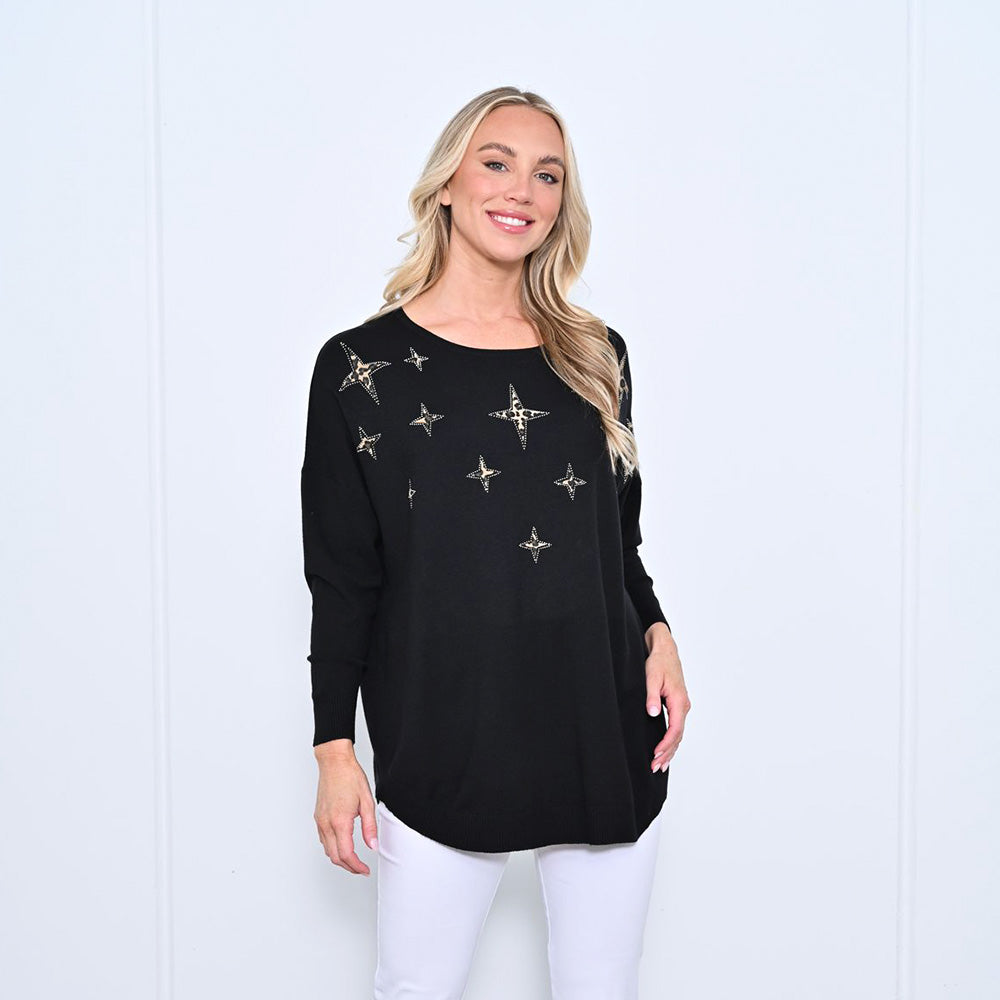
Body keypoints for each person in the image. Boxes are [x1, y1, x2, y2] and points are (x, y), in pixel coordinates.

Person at [300, 85, 691, 999]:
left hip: (600, 721)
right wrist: (333, 748)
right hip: (444, 730)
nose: (522, 190)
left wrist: (659, 630)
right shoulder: (360, 370)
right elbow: (343, 576)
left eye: (548, 174)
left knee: (603, 986)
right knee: (417, 986)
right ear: (447, 183)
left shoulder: (594, 355)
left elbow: (618, 539)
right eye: (497, 162)